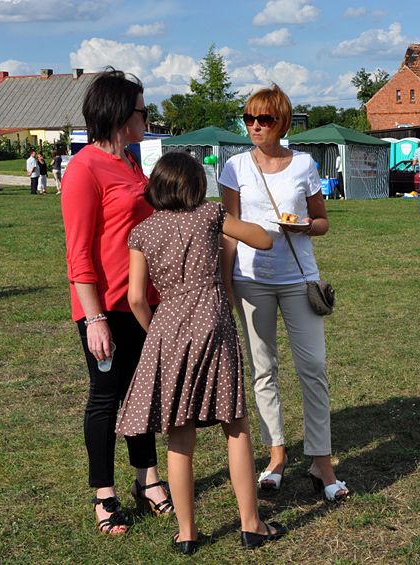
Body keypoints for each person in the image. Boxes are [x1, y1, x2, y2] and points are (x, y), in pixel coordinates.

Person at [116, 152, 285, 553]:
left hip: (168, 327)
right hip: (213, 321)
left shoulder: (142, 233)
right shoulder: (210, 216)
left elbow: (136, 298)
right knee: (235, 425)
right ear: (196, 185)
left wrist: (156, 331)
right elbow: (263, 239)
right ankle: (250, 524)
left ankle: (187, 532)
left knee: (179, 433)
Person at [219, 84, 349, 502]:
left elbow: (323, 221)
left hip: (298, 277)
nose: (255, 126)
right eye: (249, 119)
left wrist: (305, 227)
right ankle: (276, 455)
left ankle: (321, 461)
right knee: (263, 368)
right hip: (250, 280)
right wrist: (224, 282)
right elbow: (228, 228)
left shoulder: (304, 164)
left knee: (313, 366)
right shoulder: (234, 166)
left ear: (282, 123)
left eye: (265, 119)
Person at [61, 68, 172, 536]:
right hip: (104, 306)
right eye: (143, 110)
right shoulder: (84, 168)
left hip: (143, 302)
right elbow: (79, 252)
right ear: (122, 114)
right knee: (106, 398)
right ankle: (103, 494)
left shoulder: (131, 163)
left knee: (142, 394)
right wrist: (95, 319)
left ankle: (146, 480)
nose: (148, 117)